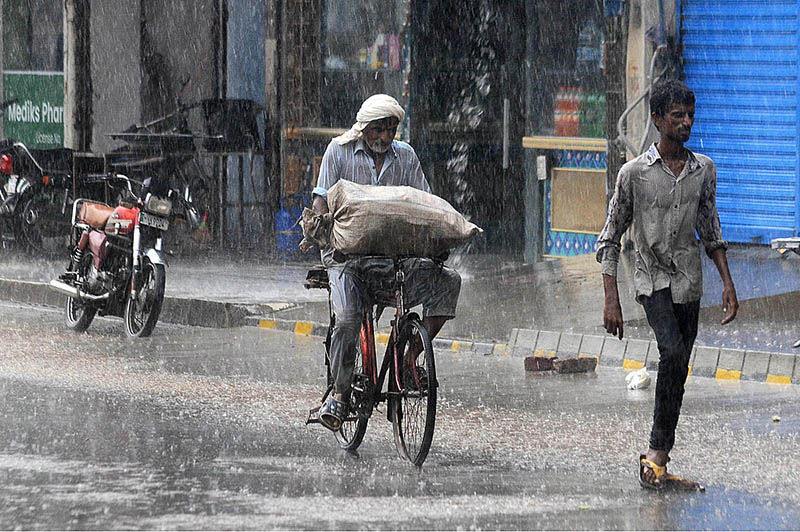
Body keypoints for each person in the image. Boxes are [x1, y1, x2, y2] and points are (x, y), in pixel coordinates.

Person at [596, 79, 739, 490]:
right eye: (677, 116)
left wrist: (727, 283)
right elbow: (610, 236)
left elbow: (711, 230)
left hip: (688, 282)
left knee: (677, 368)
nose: (686, 123)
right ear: (657, 119)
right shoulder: (634, 174)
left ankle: (658, 458)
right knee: (672, 351)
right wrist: (612, 300)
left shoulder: (702, 171)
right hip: (650, 278)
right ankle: (657, 452)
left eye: (690, 116)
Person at [311, 94, 461, 432]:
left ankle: (409, 359)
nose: (385, 138)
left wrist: (439, 236)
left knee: (449, 282)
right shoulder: (338, 150)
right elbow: (321, 199)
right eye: (379, 130)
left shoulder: (405, 157)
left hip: (394, 257)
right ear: (364, 128)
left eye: (391, 131)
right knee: (348, 320)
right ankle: (338, 391)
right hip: (347, 259)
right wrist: (328, 233)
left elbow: (424, 202)